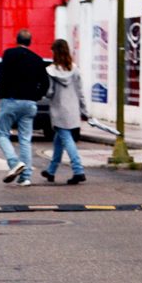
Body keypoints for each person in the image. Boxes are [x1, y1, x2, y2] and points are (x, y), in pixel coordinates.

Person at [0, 30, 50, 187]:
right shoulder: (37, 59)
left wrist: (2, 94)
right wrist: (37, 96)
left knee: (2, 134)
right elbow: (45, 83)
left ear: (16, 39)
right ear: (30, 42)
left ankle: (14, 163)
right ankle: (25, 177)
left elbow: (3, 75)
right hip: (29, 103)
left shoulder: (9, 54)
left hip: (11, 100)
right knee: (25, 139)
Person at [39, 39, 89, 185]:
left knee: (67, 140)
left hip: (59, 110)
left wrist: (43, 92)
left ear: (55, 52)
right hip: (72, 110)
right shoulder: (75, 69)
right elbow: (80, 92)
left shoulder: (51, 71)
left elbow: (50, 92)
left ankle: (78, 170)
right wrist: (84, 111)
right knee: (58, 141)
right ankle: (51, 171)